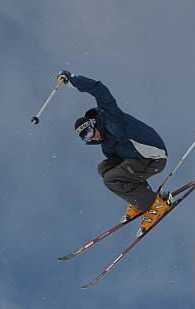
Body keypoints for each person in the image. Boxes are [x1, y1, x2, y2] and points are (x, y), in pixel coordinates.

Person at [57, 70, 171, 236]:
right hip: (139, 159)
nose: (93, 136)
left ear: (93, 123)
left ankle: (156, 205)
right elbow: (124, 171)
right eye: (88, 138)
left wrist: (73, 80)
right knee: (104, 169)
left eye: (90, 131)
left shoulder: (110, 116)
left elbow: (99, 89)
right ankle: (140, 199)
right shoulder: (106, 146)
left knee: (111, 179)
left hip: (154, 155)